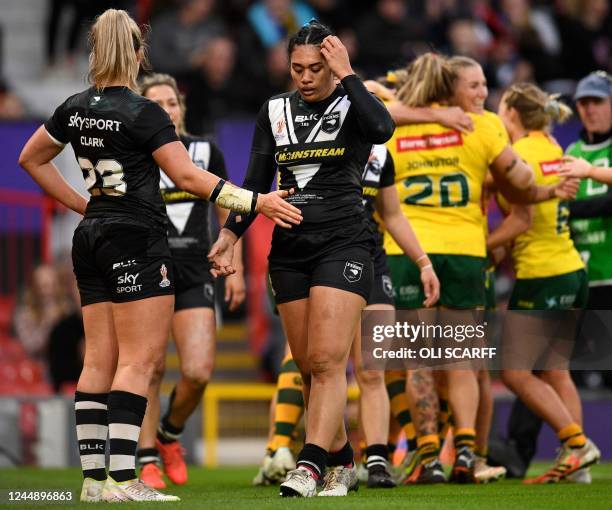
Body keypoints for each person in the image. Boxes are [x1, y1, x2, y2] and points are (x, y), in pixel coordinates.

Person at [17, 8, 300, 503]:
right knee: (140, 361)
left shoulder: (73, 106)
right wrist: (257, 201)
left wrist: (85, 204)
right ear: (137, 54)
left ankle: (93, 480)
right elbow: (189, 178)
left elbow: (30, 158)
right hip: (137, 238)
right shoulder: (143, 112)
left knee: (99, 360)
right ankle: (125, 479)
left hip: (91, 236)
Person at [209, 20, 395, 497]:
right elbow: (254, 182)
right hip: (289, 247)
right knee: (311, 368)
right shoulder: (273, 110)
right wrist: (230, 235)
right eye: (298, 69)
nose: (307, 77)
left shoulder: (354, 103)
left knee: (329, 361)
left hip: (345, 242)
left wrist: (348, 75)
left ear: (332, 67)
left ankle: (309, 465)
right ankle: (340, 460)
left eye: (317, 68)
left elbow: (383, 128)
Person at [135, 73, 246, 489]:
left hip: (197, 267)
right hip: (149, 266)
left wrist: (237, 266)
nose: (168, 110)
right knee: (150, 367)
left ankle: (169, 434)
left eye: (172, 102)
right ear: (146, 110)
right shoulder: (136, 152)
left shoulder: (205, 149)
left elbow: (224, 206)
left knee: (198, 371)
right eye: (158, 104)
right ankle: (146, 457)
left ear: (182, 107)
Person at [495, 82, 601, 484]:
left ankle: (575, 443)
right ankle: (578, 466)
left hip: (542, 272)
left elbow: (520, 219)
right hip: (571, 269)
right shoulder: (555, 148)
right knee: (556, 370)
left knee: (515, 372)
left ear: (513, 115)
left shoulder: (520, 155)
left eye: (502, 107)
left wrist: (484, 245)